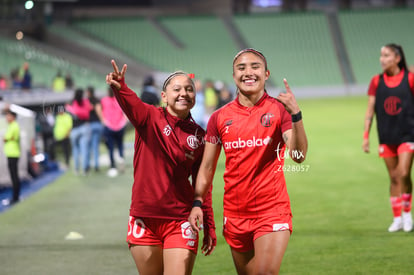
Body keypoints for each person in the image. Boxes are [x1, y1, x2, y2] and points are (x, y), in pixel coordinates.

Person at [188, 48, 308, 275]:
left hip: (271, 210)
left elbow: (299, 156)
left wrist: (296, 116)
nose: (248, 72)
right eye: (241, 68)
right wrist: (197, 203)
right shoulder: (219, 118)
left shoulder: (279, 110)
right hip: (234, 214)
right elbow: (206, 167)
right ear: (234, 76)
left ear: (266, 73)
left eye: (255, 67)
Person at [106, 60, 216, 275]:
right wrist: (121, 87)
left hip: (180, 219)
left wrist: (208, 223)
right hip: (143, 218)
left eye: (189, 89)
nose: (183, 93)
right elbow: (132, 104)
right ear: (164, 96)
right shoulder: (148, 117)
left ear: (195, 96)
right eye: (177, 89)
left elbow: (203, 183)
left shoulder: (199, 136)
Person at [362, 43, 414, 233]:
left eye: (386, 55)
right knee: (393, 177)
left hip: (408, 135)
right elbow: (370, 110)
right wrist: (366, 136)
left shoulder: (410, 78)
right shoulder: (376, 81)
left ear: (397, 58)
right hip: (386, 136)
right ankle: (397, 218)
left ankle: (408, 215)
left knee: (403, 173)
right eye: (381, 55)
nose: (382, 59)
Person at [100, 86, 128, 177]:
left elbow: (102, 113)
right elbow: (125, 113)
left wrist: (105, 122)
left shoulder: (104, 100)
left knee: (111, 147)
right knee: (120, 145)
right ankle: (121, 160)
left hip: (110, 127)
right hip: (119, 126)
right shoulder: (119, 99)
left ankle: (113, 166)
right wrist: (123, 123)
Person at [65, 88, 92, 175]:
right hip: (84, 127)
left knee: (75, 150)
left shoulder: (71, 103)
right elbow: (88, 111)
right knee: (84, 149)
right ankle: (85, 170)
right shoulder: (85, 101)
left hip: (74, 129)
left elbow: (68, 112)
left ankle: (76, 169)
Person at [3, 109, 21, 204]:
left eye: (8, 115)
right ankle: (15, 196)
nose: (7, 117)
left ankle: (15, 197)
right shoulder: (11, 126)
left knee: (14, 176)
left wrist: (6, 139)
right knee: (13, 176)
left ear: (13, 117)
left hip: (13, 154)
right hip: (10, 153)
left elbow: (8, 138)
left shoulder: (14, 126)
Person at [86, 86, 103, 172]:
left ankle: (88, 165)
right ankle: (96, 165)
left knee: (88, 146)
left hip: (90, 125)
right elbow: (99, 111)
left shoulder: (86, 101)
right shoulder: (97, 100)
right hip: (97, 124)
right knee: (95, 145)